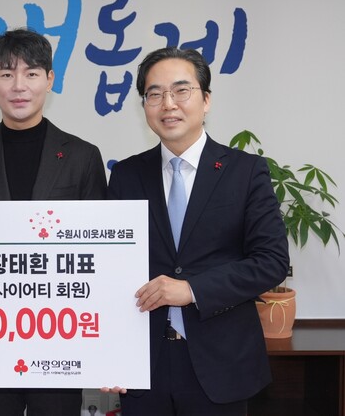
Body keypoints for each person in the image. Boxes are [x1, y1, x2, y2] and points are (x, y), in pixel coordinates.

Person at [104, 47, 289, 415]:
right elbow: (108, 270)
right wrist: (110, 353)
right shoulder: (126, 175)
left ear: (206, 100)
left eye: (181, 90)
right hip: (144, 365)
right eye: (155, 94)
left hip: (221, 363)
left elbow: (271, 262)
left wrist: (191, 289)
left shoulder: (245, 171)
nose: (168, 104)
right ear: (144, 106)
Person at [0, 28, 107, 416]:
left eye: (31, 73)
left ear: (49, 80)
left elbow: (101, 254)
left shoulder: (83, 156)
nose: (19, 86)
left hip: (61, 337)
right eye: (7, 74)